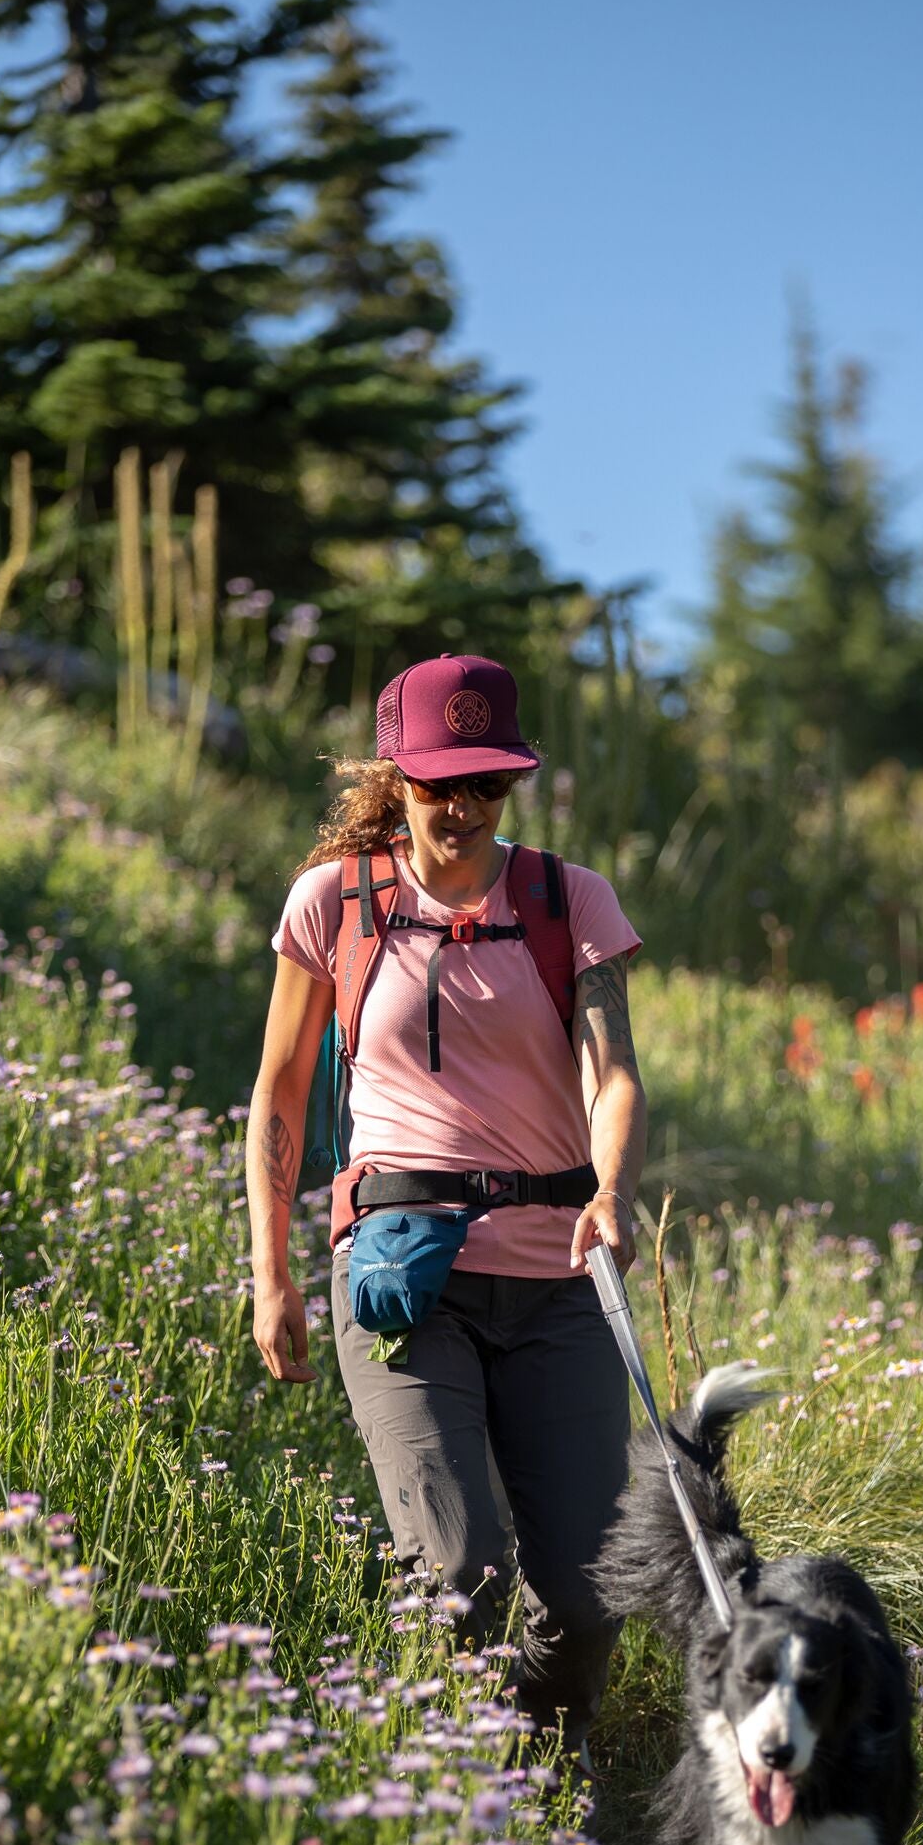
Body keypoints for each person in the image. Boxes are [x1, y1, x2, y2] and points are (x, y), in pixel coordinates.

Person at [247, 651, 646, 1753]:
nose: (461, 807)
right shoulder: (335, 901)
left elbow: (612, 1075)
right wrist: (271, 1275)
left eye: (486, 784)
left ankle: (538, 1775)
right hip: (402, 1282)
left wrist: (611, 1188)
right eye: (437, 784)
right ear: (398, 777)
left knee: (588, 1596)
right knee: (460, 1572)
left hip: (560, 1278)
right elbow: (279, 1087)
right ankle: (465, 1797)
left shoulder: (572, 902)